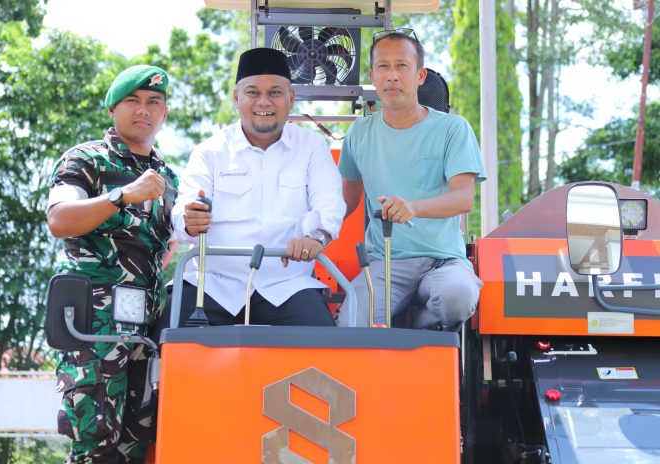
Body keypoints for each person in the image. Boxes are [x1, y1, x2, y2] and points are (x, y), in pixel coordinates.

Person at [46, 64, 178, 463]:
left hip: (144, 335)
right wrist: (122, 195)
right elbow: (59, 218)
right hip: (94, 330)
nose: (144, 110)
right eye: (132, 101)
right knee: (95, 446)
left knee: (135, 448)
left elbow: (164, 246)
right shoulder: (87, 159)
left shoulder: (168, 177)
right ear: (112, 109)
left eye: (154, 102)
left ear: (164, 113)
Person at [162, 47, 344, 328]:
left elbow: (330, 202)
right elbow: (184, 207)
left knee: (323, 345)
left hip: (287, 285)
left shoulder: (312, 147)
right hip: (213, 285)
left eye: (274, 92)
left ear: (291, 98)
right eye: (252, 92)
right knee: (171, 339)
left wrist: (316, 237)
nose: (264, 101)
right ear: (237, 98)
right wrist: (189, 219)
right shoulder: (210, 151)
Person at [336, 29, 486, 331]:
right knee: (351, 323)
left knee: (457, 297)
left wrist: (413, 208)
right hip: (385, 263)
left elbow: (463, 198)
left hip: (443, 261)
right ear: (372, 76)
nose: (392, 75)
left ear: (420, 75)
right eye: (383, 66)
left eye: (402, 66)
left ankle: (419, 325)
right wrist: (310, 232)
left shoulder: (453, 128)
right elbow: (343, 204)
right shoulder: (359, 133)